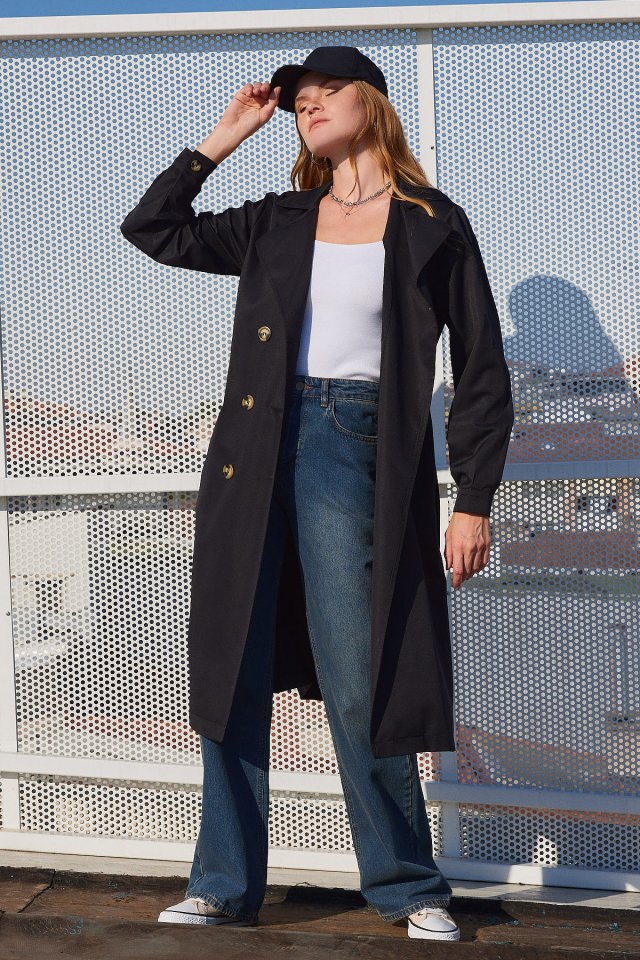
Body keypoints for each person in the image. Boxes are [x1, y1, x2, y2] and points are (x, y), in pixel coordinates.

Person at [120, 45, 514, 943]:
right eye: (299, 101)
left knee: (361, 675)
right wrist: (223, 137)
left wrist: (473, 498)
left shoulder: (431, 224)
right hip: (254, 447)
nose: (308, 107)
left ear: (371, 103)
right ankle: (223, 885)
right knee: (233, 666)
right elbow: (152, 228)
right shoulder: (277, 219)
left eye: (327, 92)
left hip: (357, 446)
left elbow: (482, 366)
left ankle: (408, 886)